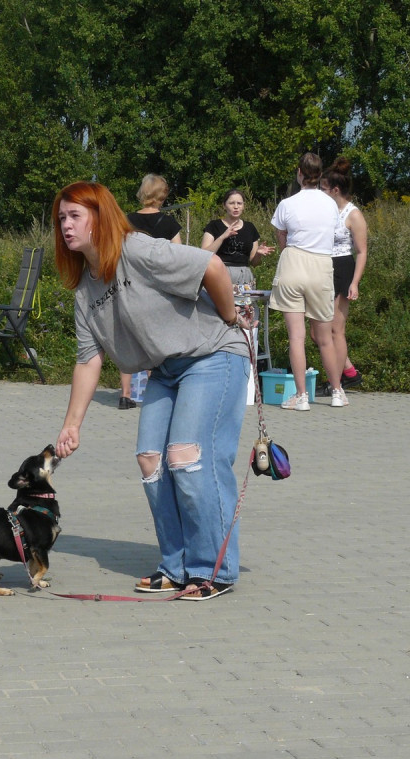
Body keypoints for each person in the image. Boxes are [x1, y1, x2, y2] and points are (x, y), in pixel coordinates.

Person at [53, 181, 254, 600]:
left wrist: (230, 315)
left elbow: (211, 267)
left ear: (100, 217)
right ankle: (176, 565)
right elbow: (89, 359)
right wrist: (72, 426)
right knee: (151, 461)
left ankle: (213, 569)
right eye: (61, 219)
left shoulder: (136, 250)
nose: (66, 225)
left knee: (188, 455)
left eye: (75, 216)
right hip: (166, 368)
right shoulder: (85, 290)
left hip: (213, 354)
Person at [269, 152, 343, 410]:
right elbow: (333, 235)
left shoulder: (287, 204)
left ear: (299, 173)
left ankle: (301, 397)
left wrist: (288, 252)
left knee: (296, 337)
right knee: (325, 338)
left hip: (293, 263)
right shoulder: (330, 204)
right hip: (321, 265)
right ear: (319, 175)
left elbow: (282, 236)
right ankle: (336, 392)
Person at [118, 173, 184, 410]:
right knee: (154, 339)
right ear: (162, 195)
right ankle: (154, 392)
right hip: (157, 288)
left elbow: (118, 252)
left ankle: (125, 395)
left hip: (130, 284)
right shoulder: (168, 223)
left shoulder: (125, 220)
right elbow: (178, 255)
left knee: (128, 340)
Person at [318, 156, 368, 391]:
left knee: (336, 330)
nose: (320, 192)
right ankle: (347, 371)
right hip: (321, 267)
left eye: (323, 189)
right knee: (317, 331)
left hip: (342, 267)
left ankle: (335, 382)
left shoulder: (353, 214)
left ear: (335, 190)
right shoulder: (323, 210)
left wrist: (355, 282)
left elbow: (361, 251)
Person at [200, 188, 274, 289]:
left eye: (239, 203)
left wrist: (258, 254)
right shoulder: (214, 226)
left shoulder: (250, 227)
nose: (236, 207)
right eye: (231, 203)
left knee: (245, 305)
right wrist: (223, 237)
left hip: (244, 276)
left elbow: (254, 263)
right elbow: (204, 254)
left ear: (243, 206)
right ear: (224, 205)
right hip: (219, 272)